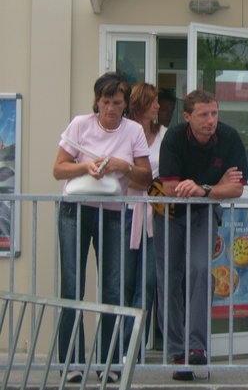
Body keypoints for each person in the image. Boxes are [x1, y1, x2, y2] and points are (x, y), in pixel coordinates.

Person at [53, 72, 152, 383]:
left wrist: (123, 166)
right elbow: (58, 169)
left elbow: (145, 179)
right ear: (97, 101)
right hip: (75, 210)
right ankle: (71, 363)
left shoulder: (133, 130)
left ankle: (108, 362)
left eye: (117, 103)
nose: (111, 108)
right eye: (106, 102)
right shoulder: (80, 124)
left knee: (112, 288)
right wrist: (86, 166)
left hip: (113, 212)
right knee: (72, 286)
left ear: (125, 104)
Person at [154, 89, 248, 381]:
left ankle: (197, 348)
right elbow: (171, 189)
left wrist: (203, 189)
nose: (211, 120)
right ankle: (176, 350)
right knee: (169, 277)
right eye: (204, 115)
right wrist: (213, 184)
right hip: (168, 212)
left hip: (204, 210)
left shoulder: (229, 137)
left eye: (214, 113)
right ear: (187, 117)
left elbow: (236, 188)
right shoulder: (174, 136)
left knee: (199, 269)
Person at [123, 83, 166, 358]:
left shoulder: (164, 135)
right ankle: (121, 347)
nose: (158, 106)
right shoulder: (124, 132)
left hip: (154, 214)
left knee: (148, 283)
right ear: (140, 104)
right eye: (153, 102)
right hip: (126, 211)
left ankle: (134, 347)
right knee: (124, 282)